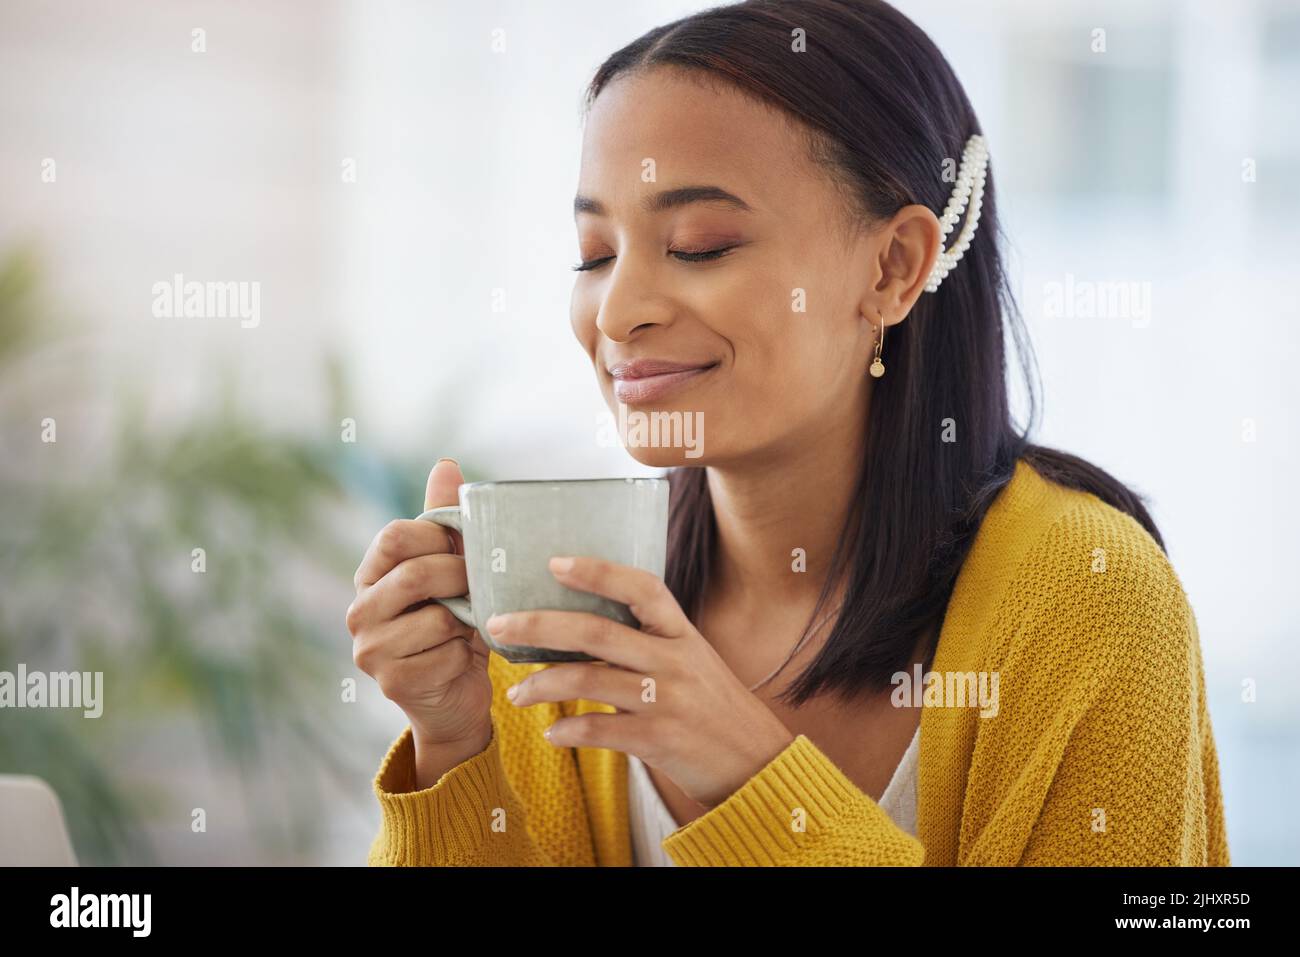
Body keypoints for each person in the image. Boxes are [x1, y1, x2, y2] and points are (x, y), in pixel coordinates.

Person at [347, 0, 1229, 866]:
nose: (617, 311)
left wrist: (754, 781)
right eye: (596, 253)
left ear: (892, 267)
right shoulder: (563, 594)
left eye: (698, 245)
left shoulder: (1089, 598)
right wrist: (453, 748)